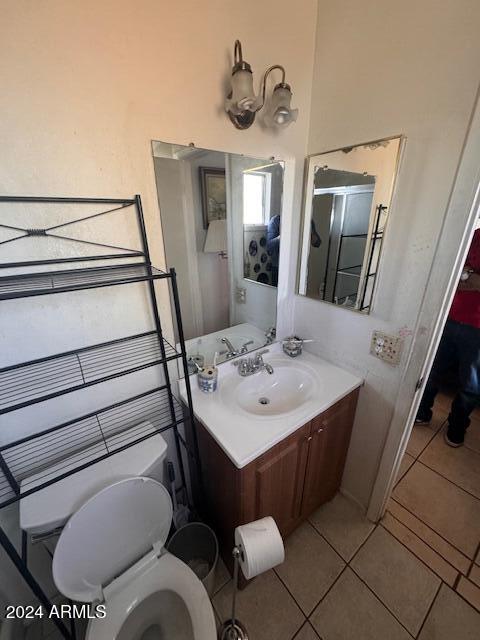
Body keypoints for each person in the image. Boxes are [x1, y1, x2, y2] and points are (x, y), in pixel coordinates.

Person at [415, 228, 480, 447]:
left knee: (471, 384)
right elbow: (455, 273)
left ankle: (457, 425)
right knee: (433, 369)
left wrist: (470, 277)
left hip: (478, 329)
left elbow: (467, 277)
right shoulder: (474, 235)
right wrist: (469, 276)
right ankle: (422, 411)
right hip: (449, 317)